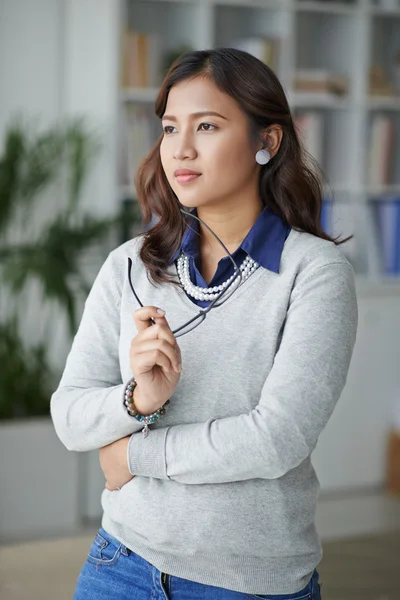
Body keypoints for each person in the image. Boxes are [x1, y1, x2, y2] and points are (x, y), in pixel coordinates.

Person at [51, 47, 358, 600]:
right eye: (170, 129)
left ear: (267, 142)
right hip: (120, 562)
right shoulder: (130, 264)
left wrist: (132, 454)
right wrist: (136, 401)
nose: (181, 149)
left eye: (207, 126)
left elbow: (276, 438)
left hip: (248, 582)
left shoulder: (313, 272)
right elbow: (70, 413)